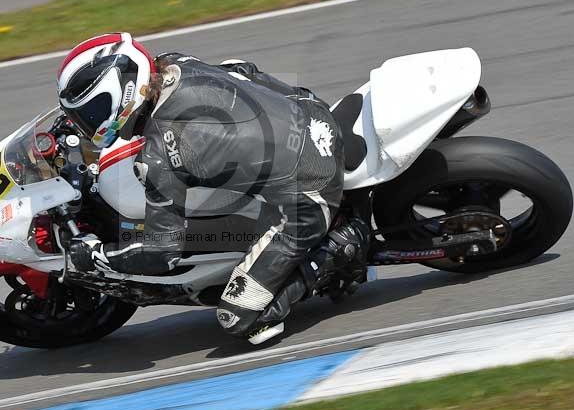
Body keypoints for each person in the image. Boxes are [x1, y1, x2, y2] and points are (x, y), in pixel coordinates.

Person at [57, 32, 369, 344]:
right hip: (308, 108)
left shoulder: (158, 158)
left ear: (121, 95)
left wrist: (97, 257)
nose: (88, 124)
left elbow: (162, 253)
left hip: (312, 186)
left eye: (91, 113)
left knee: (238, 318)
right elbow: (243, 70)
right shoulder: (173, 64)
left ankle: (341, 246)